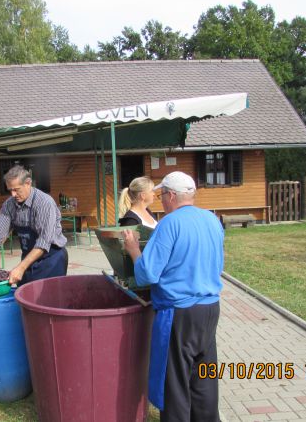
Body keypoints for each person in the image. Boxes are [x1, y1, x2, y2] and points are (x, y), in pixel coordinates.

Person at [123, 171, 223, 422]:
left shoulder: (170, 223)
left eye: (161, 195)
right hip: (210, 308)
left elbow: (147, 274)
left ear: (170, 196)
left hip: (179, 313)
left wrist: (134, 250)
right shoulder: (211, 219)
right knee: (204, 378)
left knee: (175, 381)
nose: (160, 201)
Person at [0, 165, 68, 285]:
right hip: (28, 258)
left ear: (28, 183)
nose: (13, 194)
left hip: (51, 259)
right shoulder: (9, 205)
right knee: (24, 296)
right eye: (10, 190)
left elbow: (44, 242)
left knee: (47, 299)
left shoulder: (44, 203)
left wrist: (20, 268)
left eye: (16, 189)